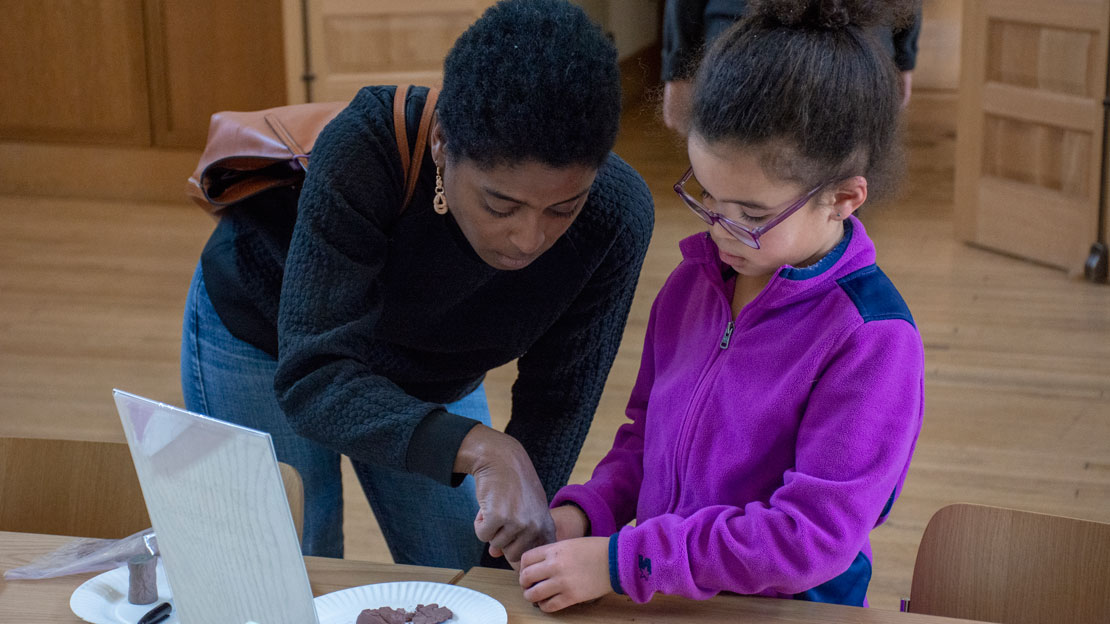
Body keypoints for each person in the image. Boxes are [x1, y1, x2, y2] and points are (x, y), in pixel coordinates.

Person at [179, 0, 654, 569]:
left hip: (428, 371)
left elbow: (557, 404)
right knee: (289, 564)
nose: (529, 239)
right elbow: (313, 378)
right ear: (441, 147)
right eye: (501, 204)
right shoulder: (366, 147)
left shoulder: (616, 218)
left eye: (563, 208)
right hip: (270, 335)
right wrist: (482, 447)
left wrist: (503, 562)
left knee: (461, 568)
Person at [517, 0, 924, 611]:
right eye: (708, 196)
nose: (722, 231)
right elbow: (645, 438)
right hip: (666, 592)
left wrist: (626, 560)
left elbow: (809, 540)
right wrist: (591, 511)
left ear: (844, 198)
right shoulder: (691, 284)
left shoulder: (872, 339)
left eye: (753, 215)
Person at [661, 0, 922, 133]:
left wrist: (904, 55)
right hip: (743, 46)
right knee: (740, 198)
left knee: (838, 190)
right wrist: (679, 71)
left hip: (854, 46)